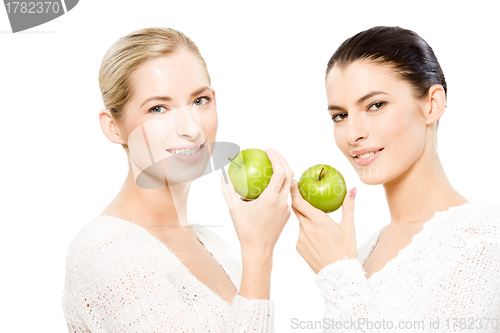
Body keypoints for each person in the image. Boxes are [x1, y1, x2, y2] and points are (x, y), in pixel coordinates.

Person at [62, 27, 293, 332]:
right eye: (158, 108)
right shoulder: (106, 249)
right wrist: (258, 252)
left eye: (199, 101)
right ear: (113, 127)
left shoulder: (212, 246)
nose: (191, 128)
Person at [290, 26, 500, 332]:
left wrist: (338, 275)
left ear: (432, 104)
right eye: (340, 115)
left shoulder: (483, 241)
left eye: (375, 105)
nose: (352, 134)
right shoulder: (360, 251)